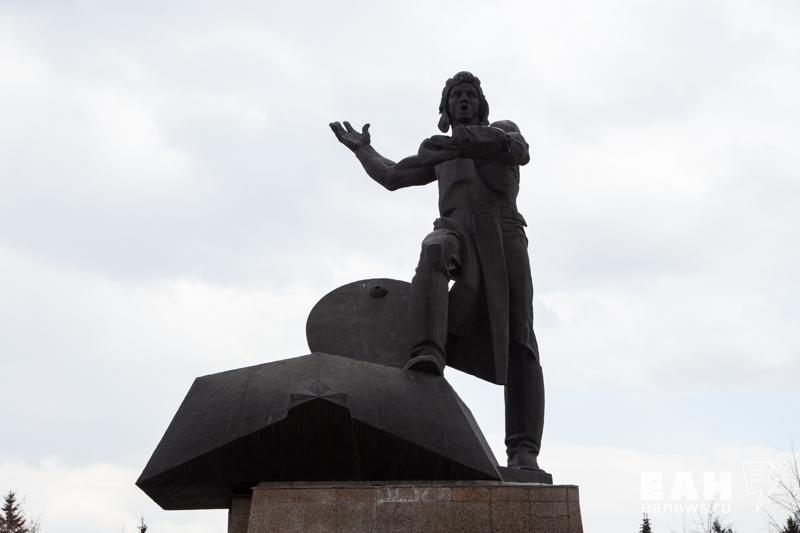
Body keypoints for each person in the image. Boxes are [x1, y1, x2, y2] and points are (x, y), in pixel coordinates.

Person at [330, 71, 545, 471]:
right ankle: (427, 352)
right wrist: (363, 150)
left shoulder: (500, 132)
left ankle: (523, 449)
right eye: (456, 96)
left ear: (481, 105)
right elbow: (393, 175)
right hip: (456, 226)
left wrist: (461, 141)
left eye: (470, 95)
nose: (463, 100)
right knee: (434, 249)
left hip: (503, 233)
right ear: (445, 109)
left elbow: (519, 150)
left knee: (519, 338)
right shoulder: (441, 153)